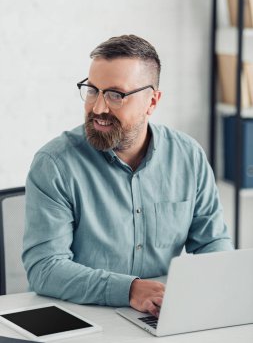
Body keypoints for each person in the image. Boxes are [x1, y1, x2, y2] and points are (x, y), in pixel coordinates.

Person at [22, 34, 233, 318]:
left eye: (115, 95)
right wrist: (129, 289)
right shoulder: (55, 164)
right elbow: (45, 268)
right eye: (93, 90)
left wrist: (214, 293)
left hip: (162, 315)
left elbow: (212, 243)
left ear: (152, 102)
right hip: (85, 319)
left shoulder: (188, 156)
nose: (97, 108)